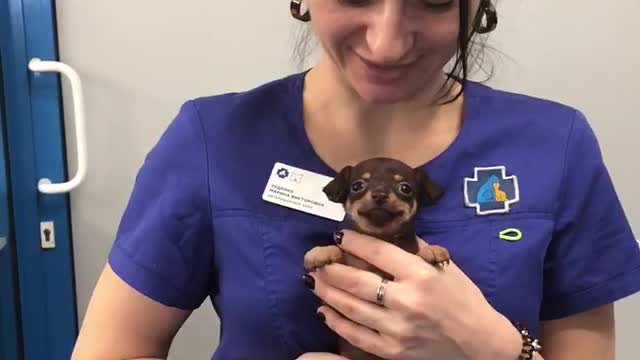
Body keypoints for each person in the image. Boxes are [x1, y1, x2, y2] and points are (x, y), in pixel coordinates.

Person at [72, 1, 640, 359]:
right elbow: (115, 345)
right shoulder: (213, 138)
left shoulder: (554, 143)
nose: (387, 42)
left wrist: (492, 348)